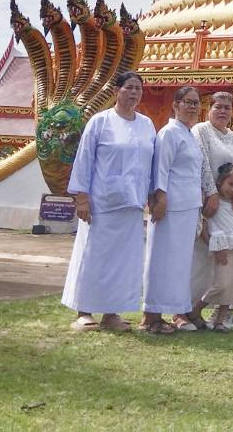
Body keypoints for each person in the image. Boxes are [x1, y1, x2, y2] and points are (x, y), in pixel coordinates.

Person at [61, 70, 156, 332]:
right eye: (129, 87)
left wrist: (151, 194)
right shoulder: (100, 122)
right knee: (94, 256)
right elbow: (84, 161)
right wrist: (82, 198)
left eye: (138, 88)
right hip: (101, 203)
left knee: (123, 262)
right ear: (117, 91)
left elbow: (150, 165)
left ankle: (111, 312)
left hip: (132, 203)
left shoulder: (146, 125)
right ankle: (84, 310)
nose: (134, 92)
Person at [142, 86, 204, 335]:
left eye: (196, 103)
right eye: (187, 102)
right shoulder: (169, 133)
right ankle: (151, 316)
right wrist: (161, 199)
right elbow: (161, 169)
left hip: (188, 206)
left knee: (179, 264)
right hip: (170, 207)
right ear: (175, 105)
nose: (192, 107)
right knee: (161, 260)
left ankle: (173, 311)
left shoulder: (189, 135)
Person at [190, 92, 233, 323]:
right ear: (209, 109)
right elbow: (201, 164)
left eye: (227, 107)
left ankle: (220, 311)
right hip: (206, 201)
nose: (222, 111)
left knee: (225, 262)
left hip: (229, 204)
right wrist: (211, 193)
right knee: (202, 256)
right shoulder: (201, 131)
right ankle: (190, 308)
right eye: (218, 107)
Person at [193, 162, 233, 331]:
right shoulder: (214, 204)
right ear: (219, 182)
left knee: (231, 287)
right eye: (230, 184)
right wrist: (213, 247)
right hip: (222, 250)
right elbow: (204, 227)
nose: (232, 189)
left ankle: (220, 321)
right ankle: (195, 310)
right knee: (221, 284)